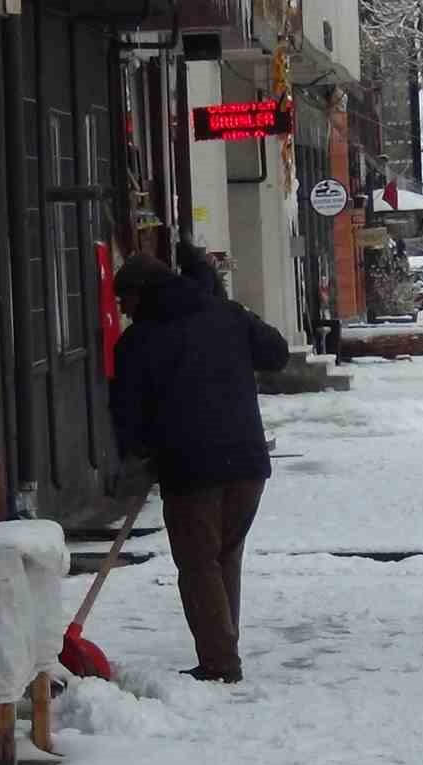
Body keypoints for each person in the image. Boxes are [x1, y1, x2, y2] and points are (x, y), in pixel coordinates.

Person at [110, 250, 290, 683]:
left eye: (123, 301)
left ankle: (220, 662)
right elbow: (276, 353)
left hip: (190, 467)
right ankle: (223, 648)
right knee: (224, 556)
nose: (121, 310)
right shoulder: (225, 314)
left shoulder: (139, 341)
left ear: (140, 295)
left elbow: (126, 414)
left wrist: (140, 455)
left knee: (198, 565)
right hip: (246, 460)